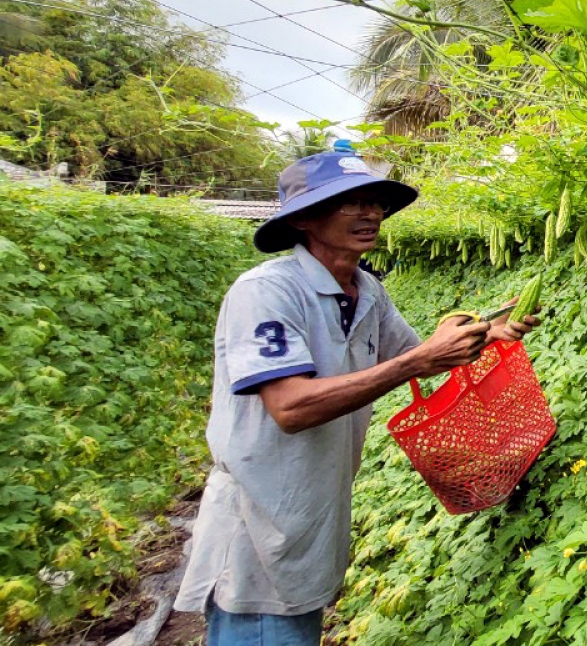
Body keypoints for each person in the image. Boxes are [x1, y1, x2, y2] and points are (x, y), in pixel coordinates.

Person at [173, 144, 539, 644]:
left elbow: (420, 356)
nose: (370, 213)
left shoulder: (368, 292)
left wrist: (484, 330)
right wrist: (420, 359)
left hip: (314, 510)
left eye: (375, 202)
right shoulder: (266, 292)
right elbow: (290, 407)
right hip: (257, 522)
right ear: (303, 219)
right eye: (351, 202)